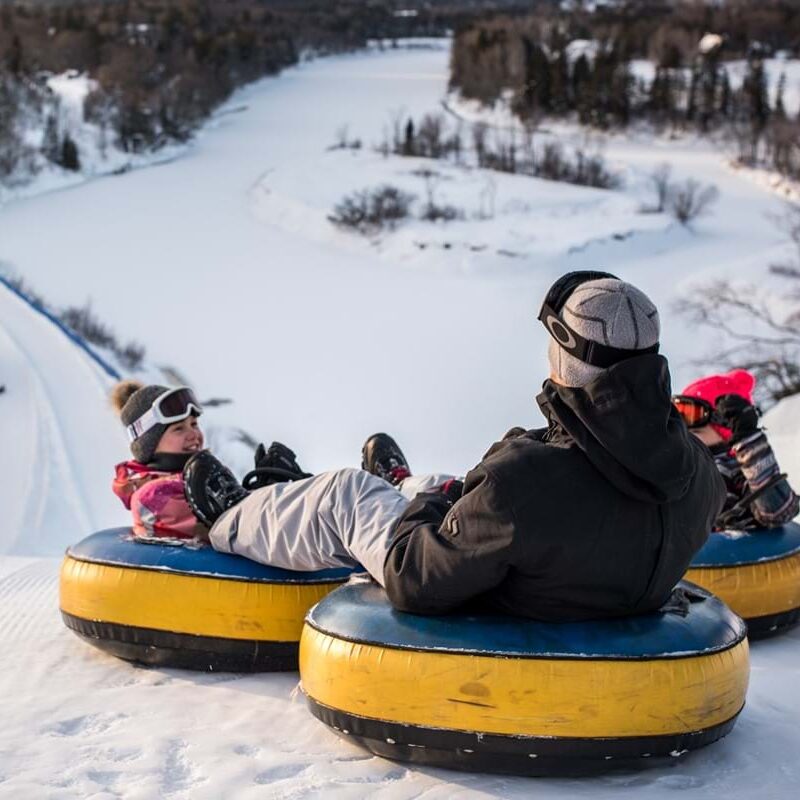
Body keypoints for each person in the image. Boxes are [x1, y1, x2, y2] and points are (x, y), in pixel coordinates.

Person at [189, 271, 725, 622]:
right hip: (570, 576)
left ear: (564, 355)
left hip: (494, 598)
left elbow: (413, 577)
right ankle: (403, 486)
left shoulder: (524, 479)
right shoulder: (699, 473)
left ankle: (229, 517)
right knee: (435, 486)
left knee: (345, 494)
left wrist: (435, 505)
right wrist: (445, 494)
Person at [672, 369, 799, 530]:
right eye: (680, 413)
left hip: (729, 549)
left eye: (692, 414)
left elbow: (780, 512)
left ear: (724, 420)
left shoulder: (739, 470)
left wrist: (748, 440)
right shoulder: (681, 464)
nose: (686, 425)